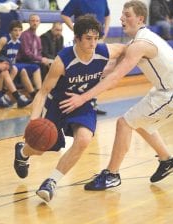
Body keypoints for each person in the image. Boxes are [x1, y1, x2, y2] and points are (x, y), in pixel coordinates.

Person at [59, 0, 173, 191]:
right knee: (136, 121)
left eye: (127, 15)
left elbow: (114, 78)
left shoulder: (140, 44)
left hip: (172, 92)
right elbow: (109, 69)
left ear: (140, 19)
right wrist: (77, 73)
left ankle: (112, 174)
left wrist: (82, 97)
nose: (122, 18)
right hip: (163, 90)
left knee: (124, 123)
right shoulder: (136, 41)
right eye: (122, 14)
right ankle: (167, 160)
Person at [13, 14, 125, 203]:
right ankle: (23, 151)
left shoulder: (104, 51)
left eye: (96, 38)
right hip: (58, 105)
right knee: (42, 146)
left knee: (83, 139)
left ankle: (51, 182)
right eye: (88, 39)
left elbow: (128, 51)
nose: (93, 43)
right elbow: (42, 92)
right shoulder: (63, 60)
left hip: (83, 103)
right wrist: (33, 121)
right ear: (77, 38)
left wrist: (112, 70)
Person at [61, 0, 111, 115]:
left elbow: (107, 15)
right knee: (80, 74)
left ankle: (92, 103)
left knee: (96, 73)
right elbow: (64, 14)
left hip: (97, 41)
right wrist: (76, 30)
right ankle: (72, 102)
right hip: (83, 43)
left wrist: (105, 32)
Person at [0, 20, 42, 104]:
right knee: (14, 69)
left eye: (19, 30)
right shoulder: (4, 39)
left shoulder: (18, 42)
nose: (18, 32)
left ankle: (33, 94)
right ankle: (6, 92)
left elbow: (13, 58)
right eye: (15, 30)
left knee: (22, 71)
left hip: (10, 65)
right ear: (10, 31)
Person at [17, 14, 51, 80]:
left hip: (34, 60)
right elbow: (26, 53)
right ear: (29, 22)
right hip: (25, 60)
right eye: (33, 21)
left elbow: (39, 52)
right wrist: (40, 59)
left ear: (39, 23)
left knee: (50, 64)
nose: (35, 23)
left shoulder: (38, 38)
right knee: (42, 66)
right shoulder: (24, 35)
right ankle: (40, 88)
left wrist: (42, 59)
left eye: (37, 21)